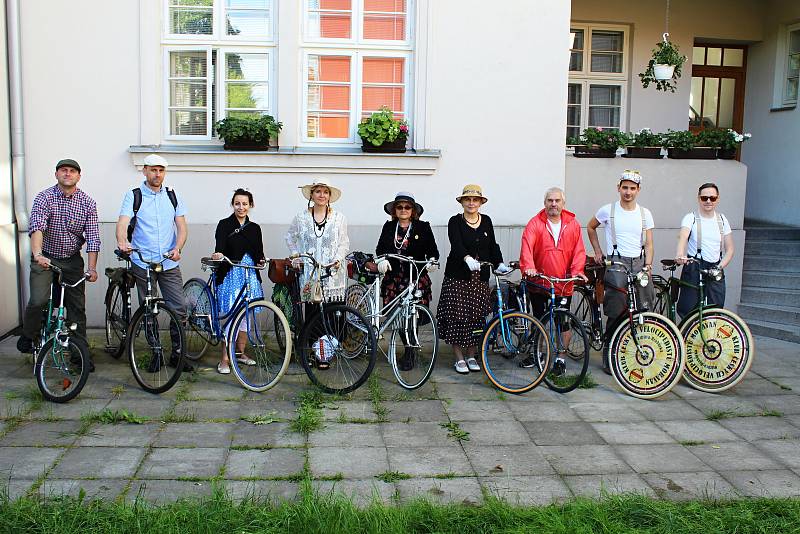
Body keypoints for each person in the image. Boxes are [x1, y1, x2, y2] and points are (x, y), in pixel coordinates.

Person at [17, 159, 100, 367]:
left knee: (76, 308)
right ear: (56, 174)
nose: (68, 174)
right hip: (45, 255)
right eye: (64, 170)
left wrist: (91, 268)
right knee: (38, 300)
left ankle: (79, 354)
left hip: (72, 260)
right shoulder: (44, 197)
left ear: (79, 176)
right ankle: (29, 334)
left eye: (72, 171)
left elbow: (93, 237)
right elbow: (37, 227)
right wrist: (37, 254)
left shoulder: (87, 202)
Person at [115, 154, 192, 371]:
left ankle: (178, 354)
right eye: (153, 170)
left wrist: (178, 248)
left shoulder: (173, 196)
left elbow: (182, 227)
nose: (157, 174)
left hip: (168, 262)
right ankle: (155, 352)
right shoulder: (134, 196)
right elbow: (123, 223)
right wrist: (123, 242)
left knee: (179, 307)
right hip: (143, 260)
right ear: (145, 171)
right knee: (149, 308)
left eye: (161, 170)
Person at [587, 170, 655, 374]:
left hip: (639, 262)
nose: (628, 192)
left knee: (643, 307)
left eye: (632, 188)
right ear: (618, 188)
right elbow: (591, 227)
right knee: (616, 309)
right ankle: (610, 354)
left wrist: (648, 265)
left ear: (638, 190)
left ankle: (635, 351)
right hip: (616, 263)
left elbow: (649, 243)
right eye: (625, 187)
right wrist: (598, 251)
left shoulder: (645, 213)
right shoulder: (608, 210)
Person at [437, 184, 509, 374]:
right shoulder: (455, 221)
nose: (471, 203)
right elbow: (456, 244)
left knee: (476, 317)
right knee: (458, 317)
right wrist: (466, 258)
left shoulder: (486, 221)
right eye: (467, 199)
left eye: (475, 199)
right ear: (462, 202)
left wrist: (499, 262)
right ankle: (459, 357)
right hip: (458, 276)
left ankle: (471, 354)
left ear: (480, 202)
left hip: (480, 278)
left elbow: (492, 245)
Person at [518, 186, 588, 372]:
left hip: (563, 284)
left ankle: (560, 359)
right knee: (539, 319)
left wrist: (576, 270)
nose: (553, 204)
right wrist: (529, 267)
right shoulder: (535, 223)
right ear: (545, 203)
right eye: (550, 201)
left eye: (557, 201)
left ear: (563, 203)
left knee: (563, 321)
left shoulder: (572, 224)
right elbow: (527, 246)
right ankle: (537, 353)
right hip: (539, 282)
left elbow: (579, 251)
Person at [285, 179, 349, 368]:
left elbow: (344, 242)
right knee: (313, 315)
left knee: (333, 315)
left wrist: (337, 258)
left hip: (333, 275)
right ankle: (315, 352)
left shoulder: (339, 218)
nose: (322, 195)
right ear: (312, 195)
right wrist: (297, 256)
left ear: (330, 196)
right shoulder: (301, 218)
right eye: (318, 191)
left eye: (325, 192)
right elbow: (290, 236)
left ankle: (327, 354)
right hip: (311, 275)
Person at [375, 192, 439, 371]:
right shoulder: (389, 227)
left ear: (413, 210)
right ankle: (407, 346)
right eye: (400, 207)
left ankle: (411, 351)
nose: (403, 210)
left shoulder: (423, 227)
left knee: (413, 316)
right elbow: (380, 249)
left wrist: (432, 260)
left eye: (407, 207)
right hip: (394, 279)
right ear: (395, 210)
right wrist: (382, 260)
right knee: (398, 316)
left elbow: (433, 250)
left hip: (415, 278)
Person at [210, 189, 266, 374]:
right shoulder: (224, 224)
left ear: (251, 205)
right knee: (230, 314)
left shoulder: (255, 228)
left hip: (249, 274)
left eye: (244, 204)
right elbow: (220, 247)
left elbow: (259, 252)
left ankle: (240, 353)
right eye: (237, 203)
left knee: (246, 314)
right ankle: (225, 358)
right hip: (231, 274)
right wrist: (218, 254)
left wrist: (262, 260)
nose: (241, 207)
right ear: (233, 205)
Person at [674, 182, 734, 317]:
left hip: (715, 266)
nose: (708, 201)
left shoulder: (722, 220)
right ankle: (687, 336)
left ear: (717, 199)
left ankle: (709, 337)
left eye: (712, 198)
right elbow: (683, 237)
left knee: (715, 308)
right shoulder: (691, 218)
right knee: (688, 309)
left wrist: (719, 267)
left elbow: (730, 249)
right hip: (695, 265)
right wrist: (680, 254)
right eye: (704, 198)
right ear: (698, 198)